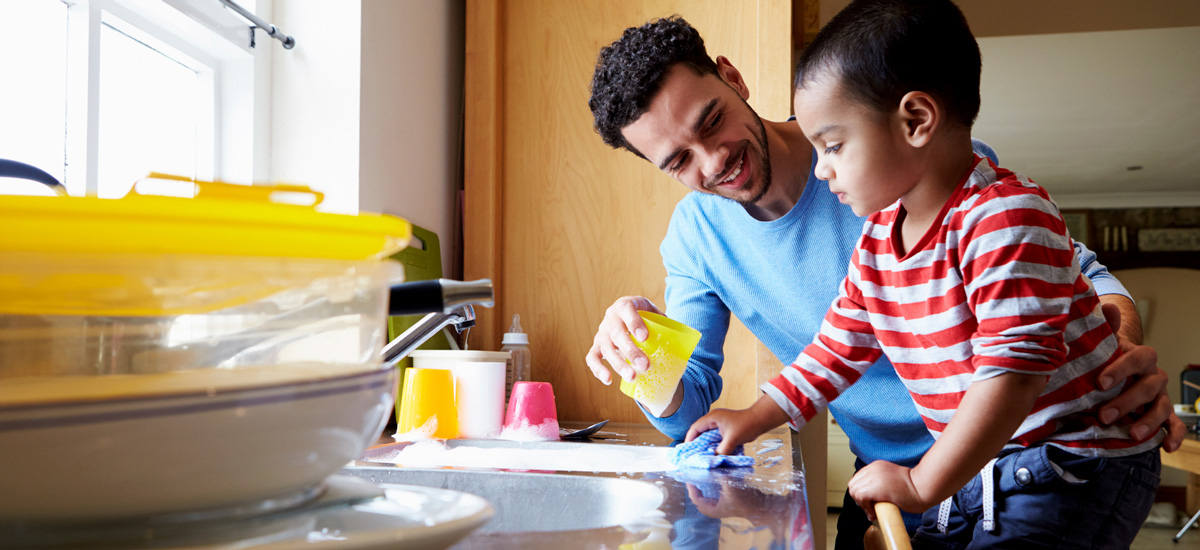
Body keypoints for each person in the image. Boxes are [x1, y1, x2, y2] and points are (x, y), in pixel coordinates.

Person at [585, 14, 1183, 548]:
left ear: (732, 78)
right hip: (897, 480)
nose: (712, 160)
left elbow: (1070, 281)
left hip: (1030, 458)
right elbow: (710, 395)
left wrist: (1113, 360)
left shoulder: (916, 166)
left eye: (711, 121)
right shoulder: (710, 235)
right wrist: (642, 353)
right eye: (678, 162)